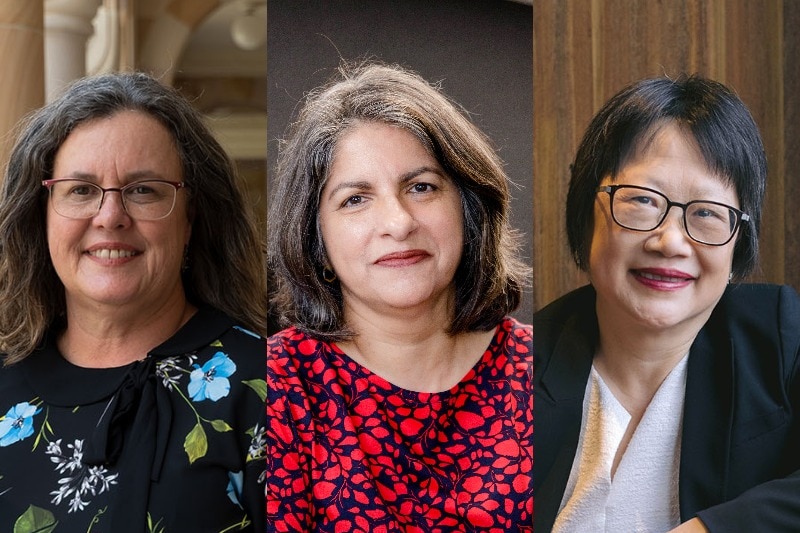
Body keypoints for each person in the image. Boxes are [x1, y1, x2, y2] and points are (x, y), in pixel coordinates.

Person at [267, 62, 533, 532]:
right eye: (355, 199)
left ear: (468, 210)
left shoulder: (549, 370)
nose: (398, 222)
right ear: (316, 238)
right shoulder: (277, 385)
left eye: (421, 187)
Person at [0, 72, 267, 532]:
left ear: (190, 220)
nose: (110, 217)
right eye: (80, 190)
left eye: (143, 190)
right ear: (39, 216)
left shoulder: (263, 387)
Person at [533, 74, 800, 532]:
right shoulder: (520, 363)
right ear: (586, 214)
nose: (671, 241)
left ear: (738, 244)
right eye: (641, 200)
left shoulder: (779, 337)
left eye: (707, 213)